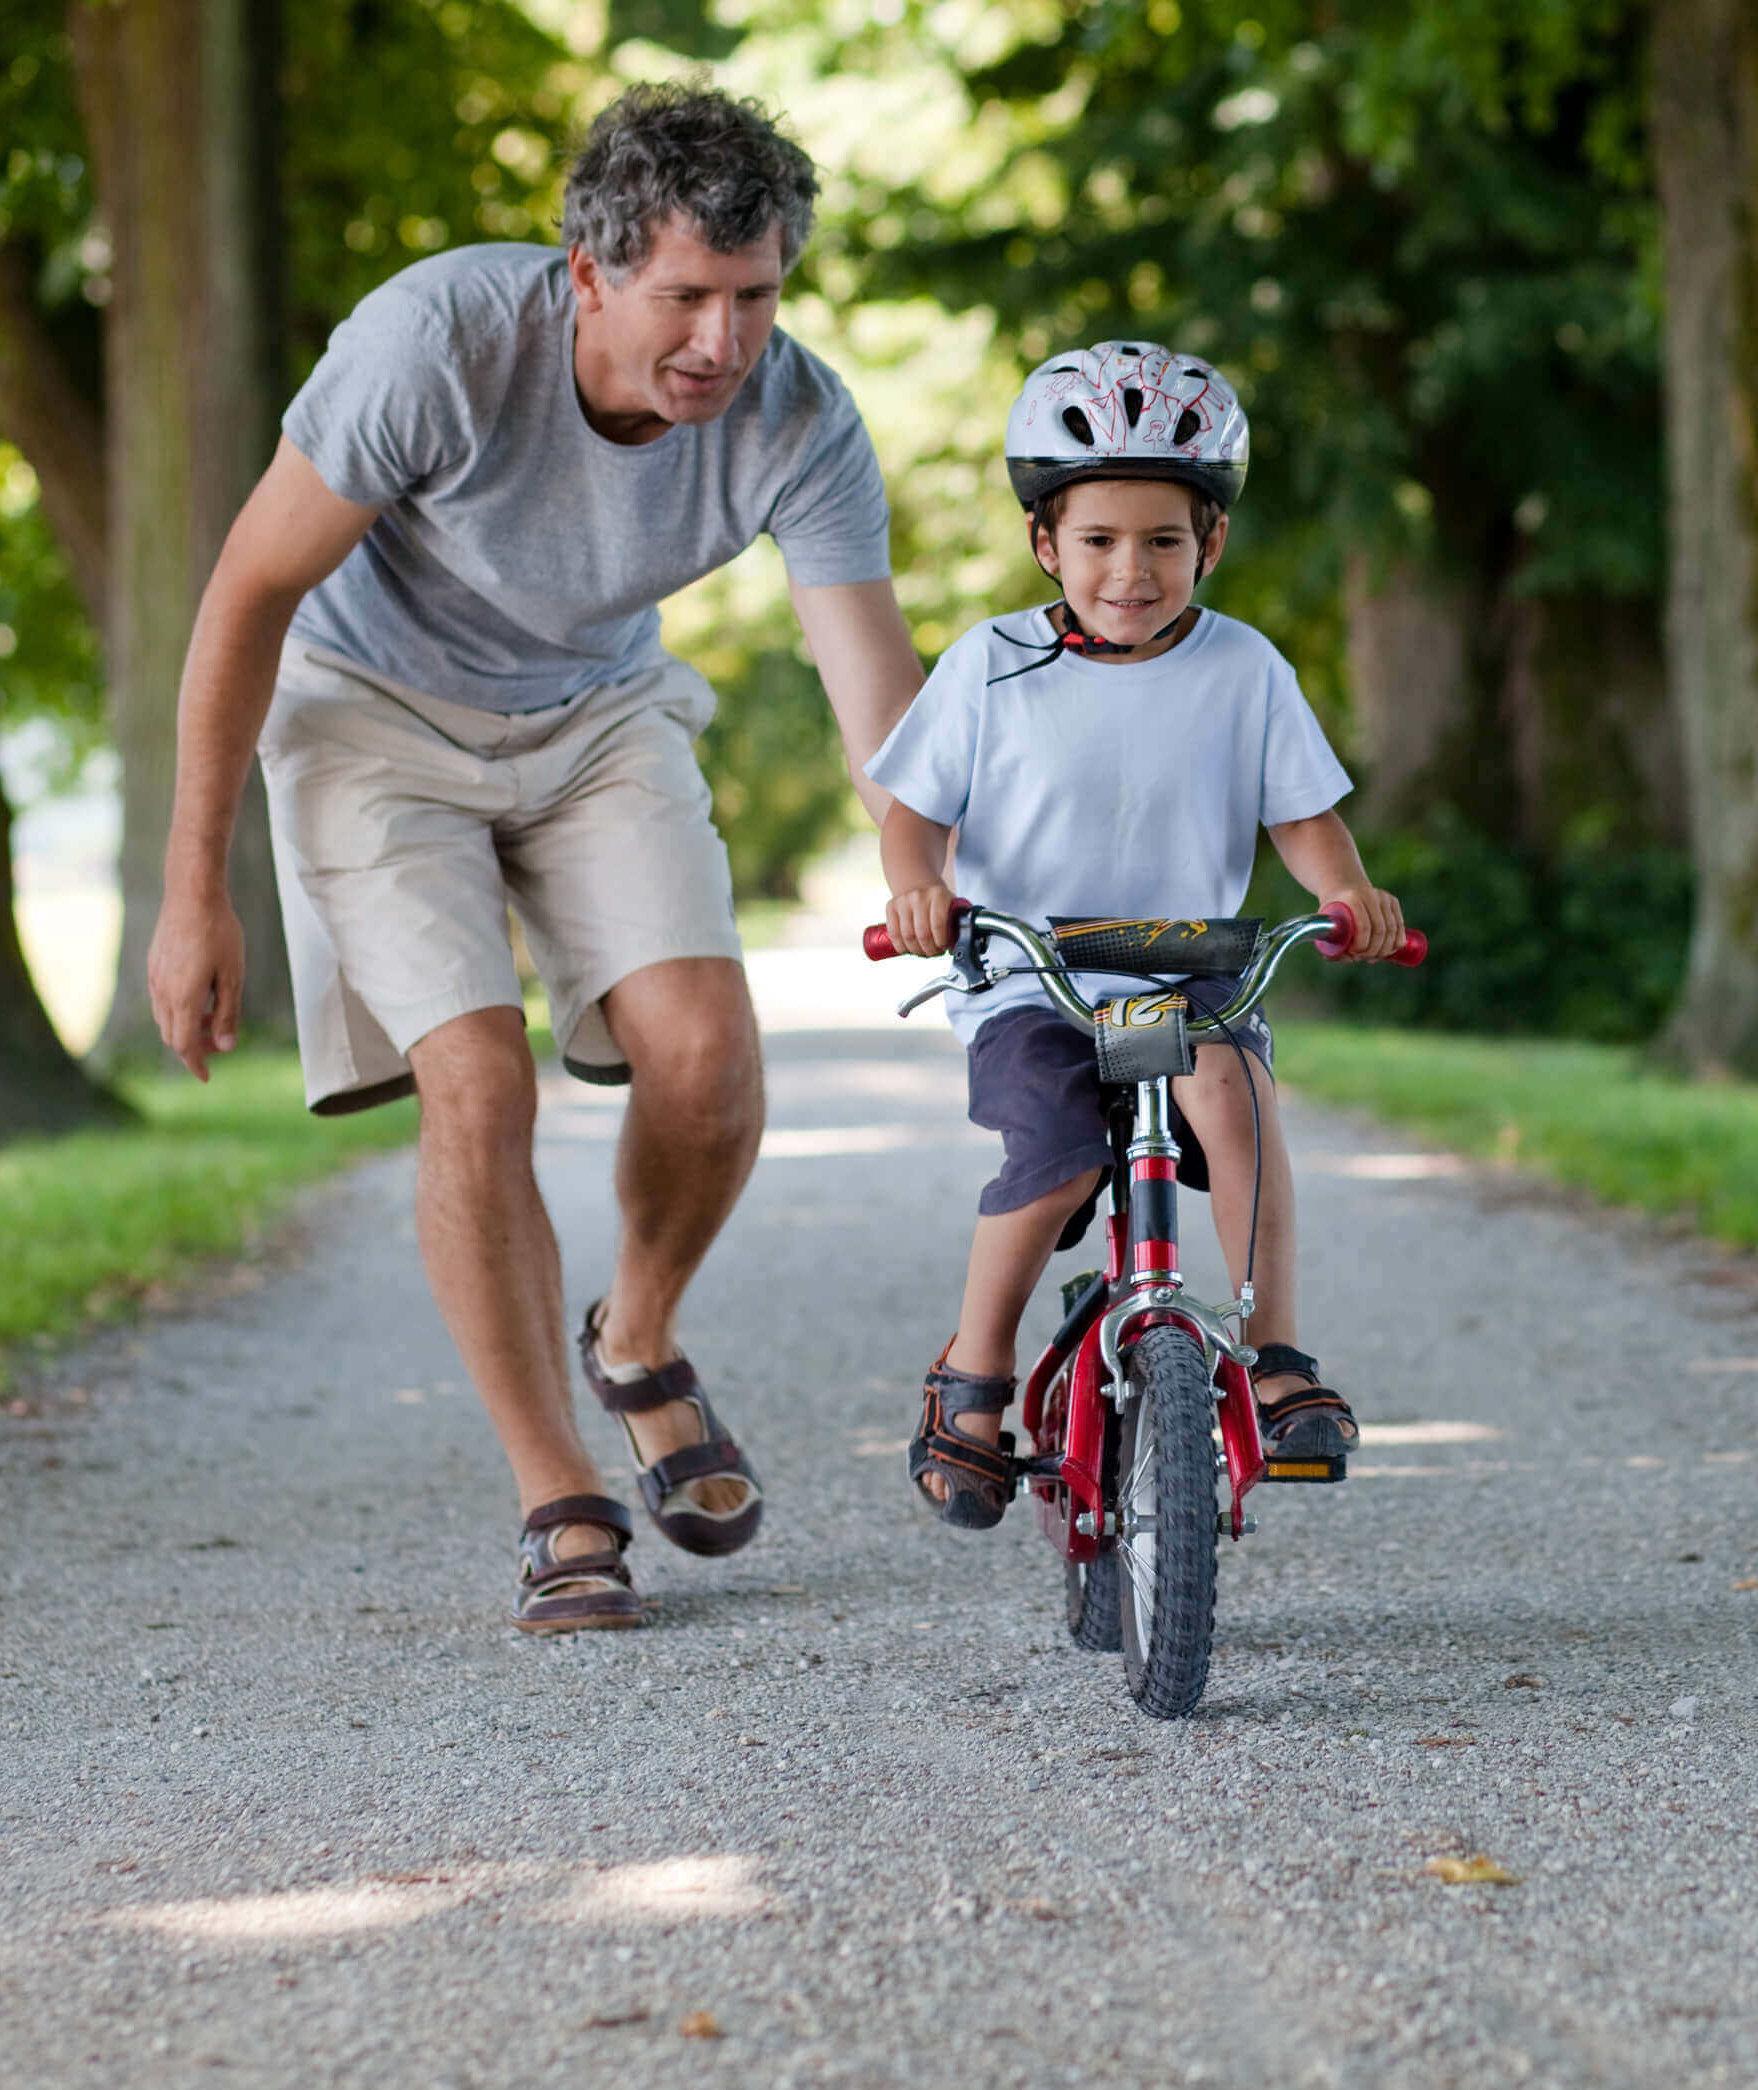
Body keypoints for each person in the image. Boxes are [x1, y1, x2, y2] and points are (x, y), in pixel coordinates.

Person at [142, 84, 926, 1629]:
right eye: (684, 297)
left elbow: (872, 682)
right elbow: (245, 596)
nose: (722, 342)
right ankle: (555, 1487)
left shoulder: (800, 417)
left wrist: (922, 865)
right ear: (588, 271)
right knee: (479, 1080)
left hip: (592, 715)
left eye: (756, 296)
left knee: (704, 1055)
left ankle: (636, 1338)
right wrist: (191, 891)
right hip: (370, 717)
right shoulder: (433, 344)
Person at [867, 340, 1405, 1528]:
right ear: (1044, 543)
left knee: (1236, 1096)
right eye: (1100, 540)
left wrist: (1352, 897)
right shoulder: (989, 665)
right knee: (1054, 1154)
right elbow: (913, 817)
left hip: (1191, 970)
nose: (1131, 569)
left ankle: (1274, 1354)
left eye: (1165, 540)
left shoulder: (1244, 668)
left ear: (1209, 544)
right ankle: (976, 1373)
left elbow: (1307, 822)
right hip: (1031, 972)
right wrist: (916, 888)